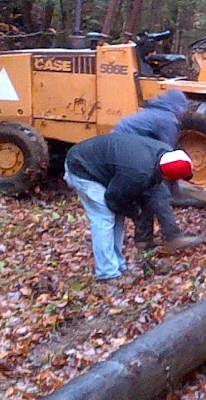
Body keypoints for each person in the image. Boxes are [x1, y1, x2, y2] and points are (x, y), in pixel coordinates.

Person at [63, 134, 195, 281]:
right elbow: (113, 200)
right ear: (167, 176)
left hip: (103, 165)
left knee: (118, 216)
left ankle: (118, 266)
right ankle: (107, 273)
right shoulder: (138, 173)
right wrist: (135, 212)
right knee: (104, 217)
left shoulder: (164, 153)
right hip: (81, 166)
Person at [111, 90, 191, 249]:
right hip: (127, 153)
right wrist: (177, 182)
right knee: (158, 191)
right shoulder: (167, 119)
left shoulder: (153, 112)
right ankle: (174, 237)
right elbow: (168, 155)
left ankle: (143, 240)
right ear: (178, 107)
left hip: (117, 151)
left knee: (144, 191)